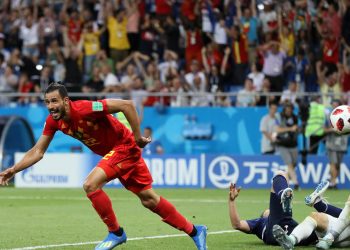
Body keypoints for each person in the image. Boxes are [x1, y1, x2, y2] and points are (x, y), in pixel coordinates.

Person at [0, 83, 207, 250]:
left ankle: (116, 233)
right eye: (47, 102)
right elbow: (37, 151)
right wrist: (14, 169)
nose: (51, 106)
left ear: (65, 100)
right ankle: (196, 231)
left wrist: (137, 137)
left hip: (125, 147)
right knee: (149, 200)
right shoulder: (54, 121)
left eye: (54, 101)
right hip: (119, 154)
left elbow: (127, 105)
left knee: (90, 184)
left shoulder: (85, 108)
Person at [228, 171, 317, 246]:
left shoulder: (259, 224)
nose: (269, 210)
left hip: (293, 234)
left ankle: (326, 239)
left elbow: (236, 225)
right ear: (264, 217)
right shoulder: (259, 222)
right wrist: (231, 201)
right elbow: (237, 224)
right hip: (275, 229)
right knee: (280, 173)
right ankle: (283, 194)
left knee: (319, 226)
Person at [273, 181, 350, 250]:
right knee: (316, 217)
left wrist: (329, 237)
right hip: (343, 232)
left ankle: (319, 205)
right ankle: (291, 240)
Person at [274, 103, 300, 190]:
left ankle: (285, 179)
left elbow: (296, 129)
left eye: (290, 110)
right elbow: (277, 129)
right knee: (289, 163)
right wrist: (290, 128)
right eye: (287, 110)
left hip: (293, 144)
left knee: (294, 163)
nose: (289, 111)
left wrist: (297, 129)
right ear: (284, 110)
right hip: (282, 144)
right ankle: (296, 183)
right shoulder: (279, 116)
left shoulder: (295, 117)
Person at [325, 99, 349, 189]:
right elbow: (324, 129)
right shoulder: (328, 117)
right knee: (333, 163)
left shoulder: (347, 115)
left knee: (338, 165)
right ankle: (334, 183)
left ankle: (332, 182)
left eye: (336, 105)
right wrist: (332, 129)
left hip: (342, 144)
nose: (334, 106)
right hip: (331, 144)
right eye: (333, 105)